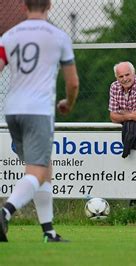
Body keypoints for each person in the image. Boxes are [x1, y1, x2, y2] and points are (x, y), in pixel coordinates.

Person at [0, 0, 79, 242]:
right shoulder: (58, 36)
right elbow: (73, 82)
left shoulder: (9, 35)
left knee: (43, 170)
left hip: (12, 110)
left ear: (25, 6)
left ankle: (49, 231)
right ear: (49, 6)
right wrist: (69, 102)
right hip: (39, 111)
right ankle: (5, 211)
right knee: (37, 170)